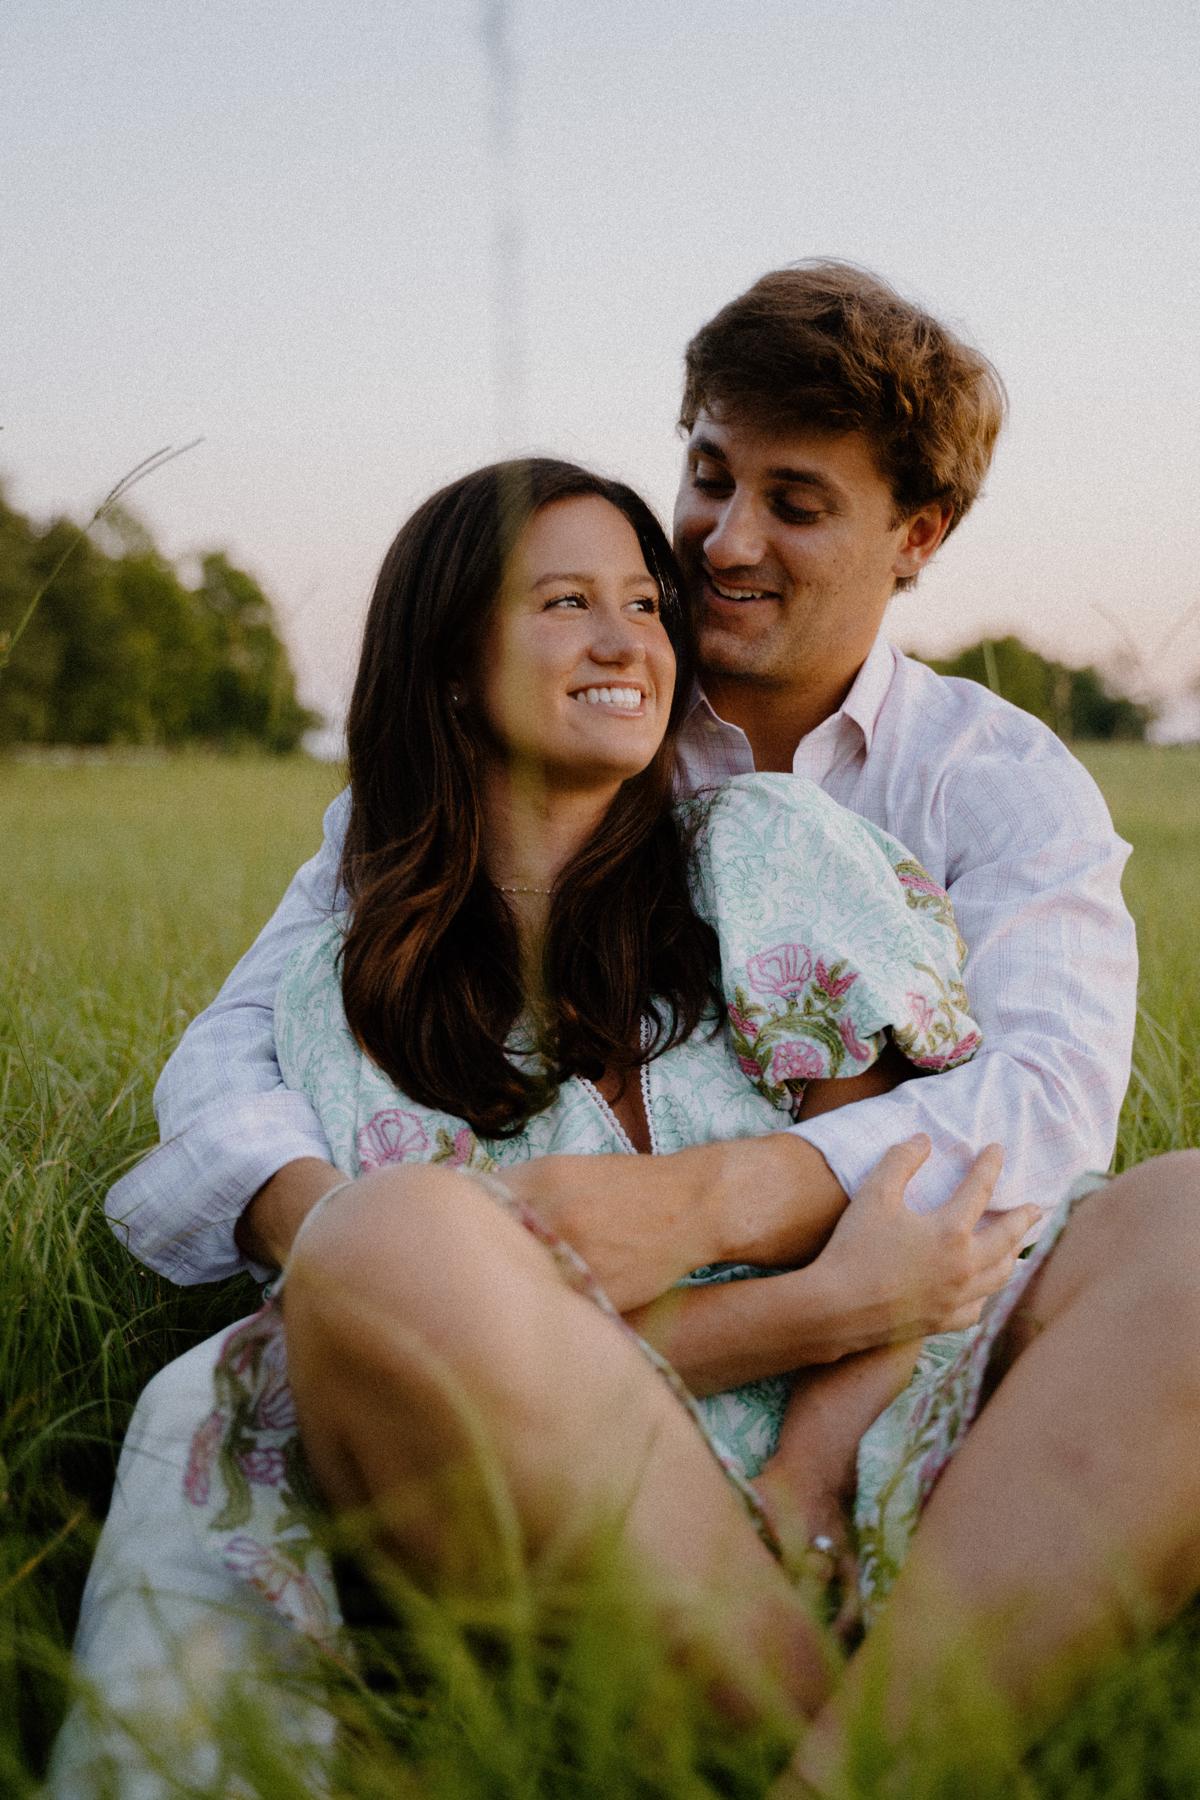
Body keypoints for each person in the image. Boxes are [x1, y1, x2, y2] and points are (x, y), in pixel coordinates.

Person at [55, 453, 1200, 1800]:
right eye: (565, 603)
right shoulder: (335, 998)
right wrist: (803, 1311)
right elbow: (435, 1334)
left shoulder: (765, 848)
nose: (629, 639)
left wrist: (810, 1467)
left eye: (645, 604)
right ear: (449, 664)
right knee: (381, 1240)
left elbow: (915, 1215)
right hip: (583, 1496)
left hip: (891, 1422)